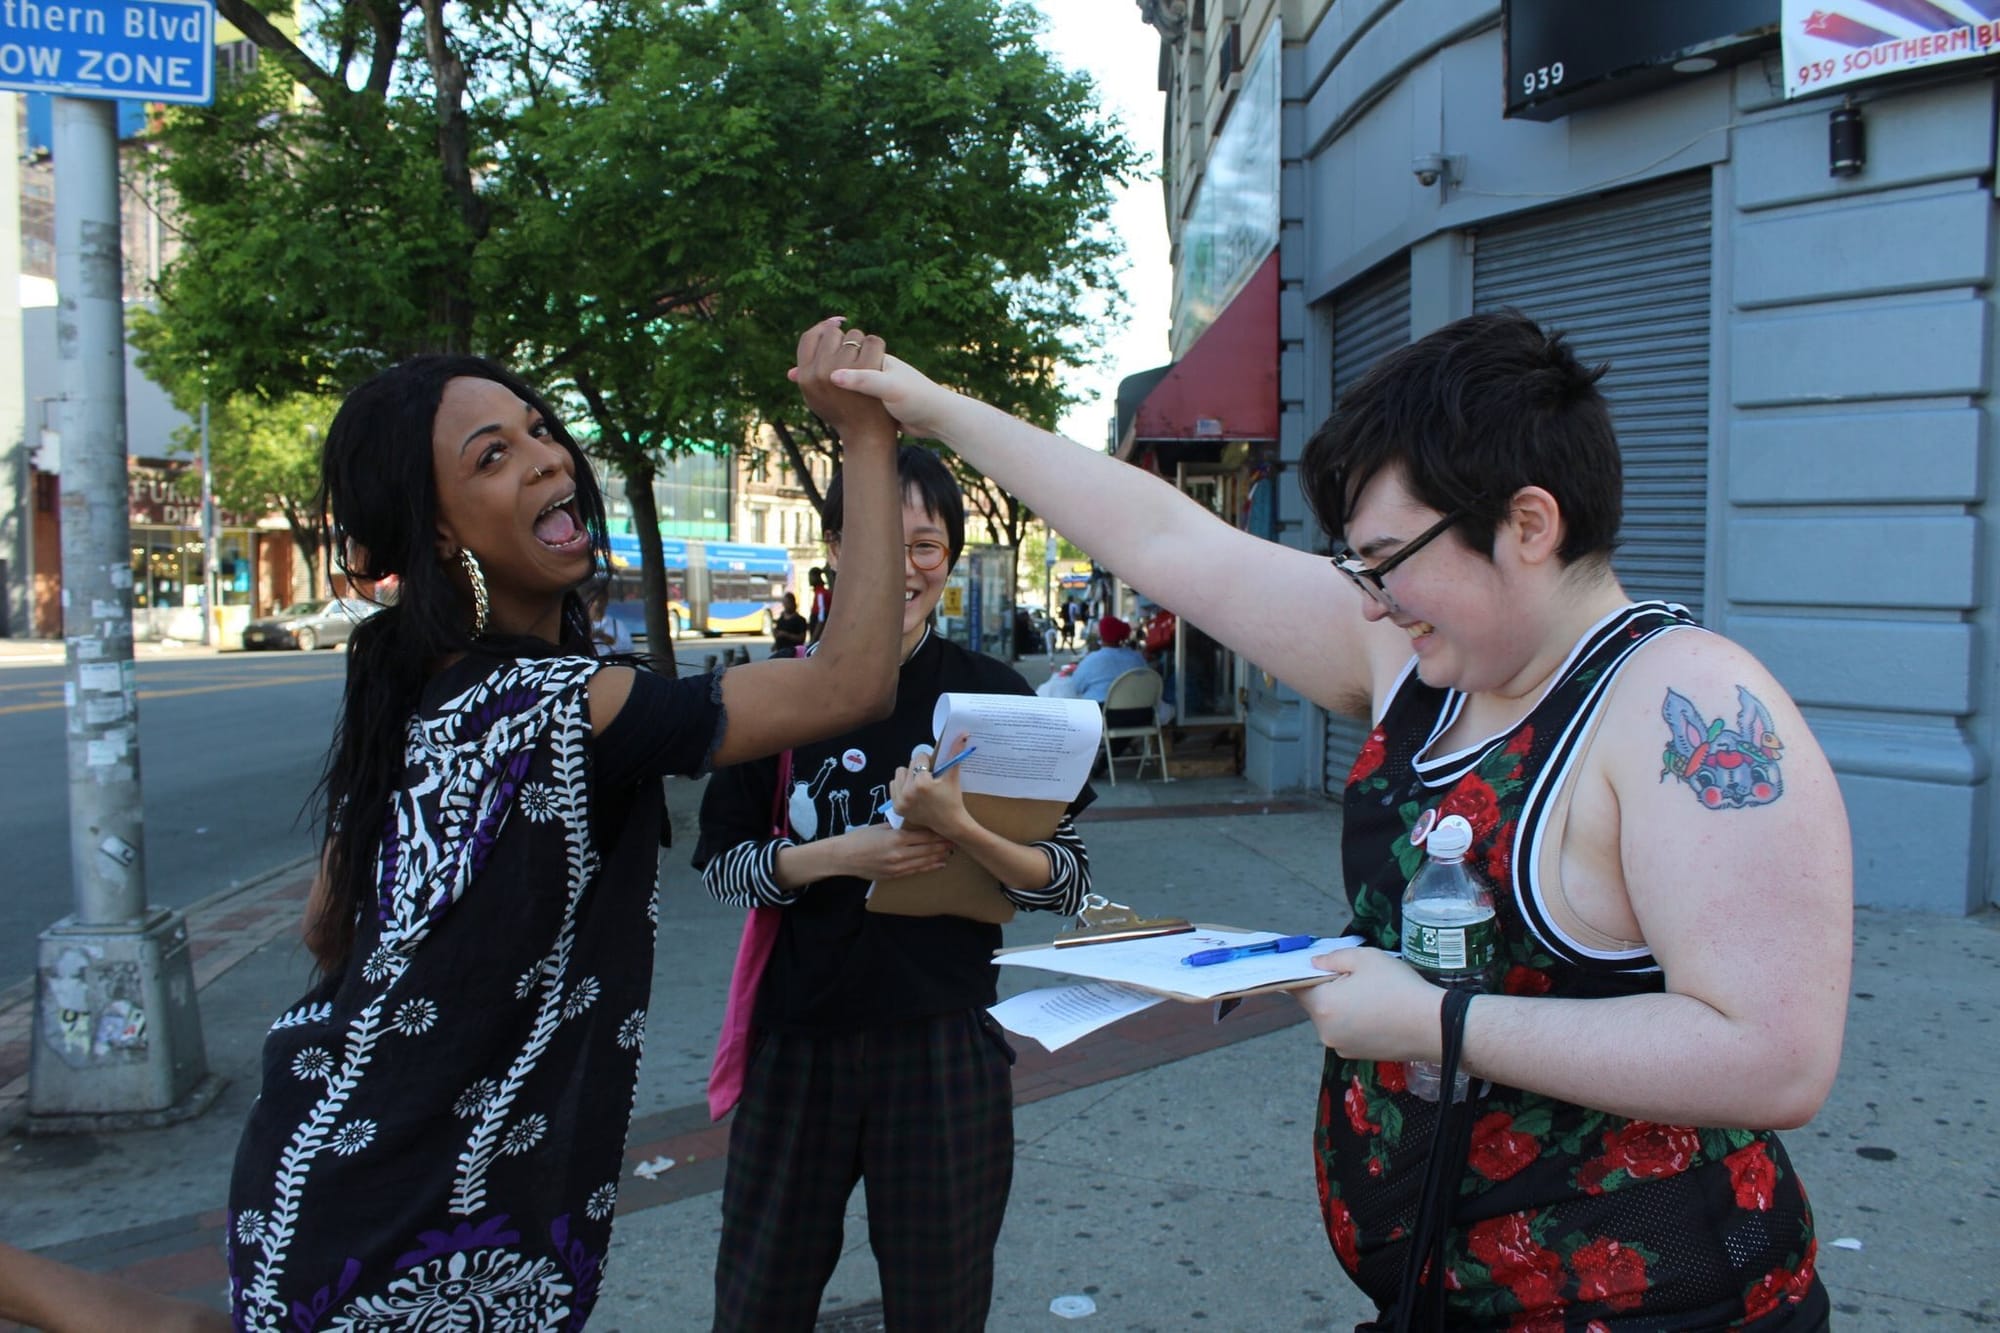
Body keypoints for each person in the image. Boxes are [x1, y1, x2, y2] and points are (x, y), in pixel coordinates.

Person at [827, 312, 1849, 1328]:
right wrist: (926, 404)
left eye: (1384, 559)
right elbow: (1164, 536)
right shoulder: (1422, 665)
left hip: (1666, 1308)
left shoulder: (1690, 708)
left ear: (1527, 525)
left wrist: (1433, 1023)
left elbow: (1772, 1054)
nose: (1369, 599)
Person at [224, 319, 908, 1330]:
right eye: (491, 455)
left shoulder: (416, 689)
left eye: (537, 429)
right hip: (423, 1214)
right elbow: (852, 681)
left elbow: (328, 925)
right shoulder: (563, 704)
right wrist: (865, 437)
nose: (546, 454)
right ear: (442, 531)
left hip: (322, 1173)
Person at [693, 444, 1095, 1332]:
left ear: (949, 556)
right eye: (880, 539)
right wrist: (844, 854)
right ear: (836, 544)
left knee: (941, 1304)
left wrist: (960, 827)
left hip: (943, 1042)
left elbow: (1063, 878)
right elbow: (723, 870)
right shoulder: (776, 694)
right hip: (797, 1041)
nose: (905, 566)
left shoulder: (996, 697)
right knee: (758, 1300)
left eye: (927, 544)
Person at [1067, 614, 1147, 705]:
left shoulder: (1092, 660)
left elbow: (1075, 686)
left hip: (1100, 713)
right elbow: (1146, 683)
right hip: (1138, 711)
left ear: (1101, 635)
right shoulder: (1137, 658)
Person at [585, 580, 636, 655]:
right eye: (593, 600)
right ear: (587, 602)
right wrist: (588, 639)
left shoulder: (617, 625)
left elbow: (629, 649)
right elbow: (572, 649)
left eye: (601, 600)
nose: (597, 604)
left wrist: (612, 641)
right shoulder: (580, 625)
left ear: (606, 601)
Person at [806, 565, 833, 643]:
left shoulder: (821, 594)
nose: (809, 579)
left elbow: (821, 617)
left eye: (810, 576)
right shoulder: (819, 592)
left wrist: (813, 639)